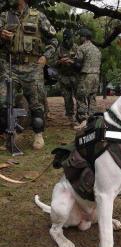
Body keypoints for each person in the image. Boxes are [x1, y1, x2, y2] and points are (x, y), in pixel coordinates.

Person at [0, 0, 58, 149]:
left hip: (33, 67)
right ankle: (9, 134)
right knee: (3, 100)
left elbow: (53, 39)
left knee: (36, 103)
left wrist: (45, 57)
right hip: (10, 66)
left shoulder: (38, 16)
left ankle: (38, 134)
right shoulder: (5, 16)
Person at [74, 28, 101, 129]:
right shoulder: (97, 49)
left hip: (86, 75)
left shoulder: (82, 48)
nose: (79, 38)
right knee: (92, 98)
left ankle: (83, 121)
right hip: (96, 76)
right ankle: (92, 121)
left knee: (81, 97)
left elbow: (78, 64)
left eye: (80, 36)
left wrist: (71, 62)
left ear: (84, 37)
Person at [55, 28, 78, 126]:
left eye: (69, 38)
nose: (68, 41)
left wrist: (72, 62)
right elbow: (53, 63)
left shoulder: (76, 47)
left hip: (75, 76)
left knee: (79, 97)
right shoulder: (59, 48)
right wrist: (60, 62)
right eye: (66, 39)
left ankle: (81, 116)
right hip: (64, 77)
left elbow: (81, 62)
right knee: (67, 98)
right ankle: (71, 118)